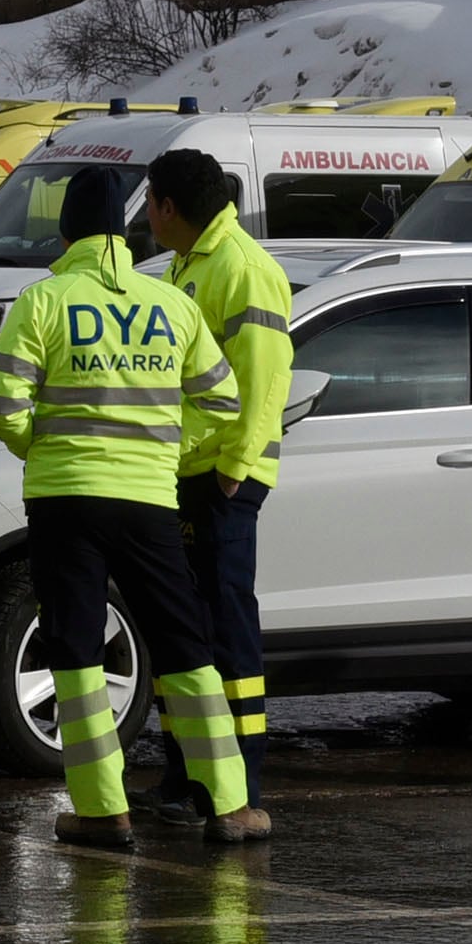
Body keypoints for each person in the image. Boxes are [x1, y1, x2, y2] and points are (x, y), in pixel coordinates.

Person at [0, 166, 252, 850]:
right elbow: (223, 401)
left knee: (75, 647)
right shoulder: (171, 303)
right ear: (125, 231)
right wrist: (165, 447)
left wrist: (43, 447)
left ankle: (103, 811)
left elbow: (0, 398)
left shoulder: (43, 300)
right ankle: (229, 805)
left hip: (65, 499)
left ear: (66, 230)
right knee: (185, 642)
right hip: (149, 498)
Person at [143, 149, 289, 842]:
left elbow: (265, 380)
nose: (146, 217)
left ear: (170, 208)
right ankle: (187, 777)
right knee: (187, 627)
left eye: (150, 203)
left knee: (226, 630)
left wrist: (235, 466)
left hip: (222, 478)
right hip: (188, 471)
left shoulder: (240, 267)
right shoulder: (193, 263)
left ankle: (241, 783)